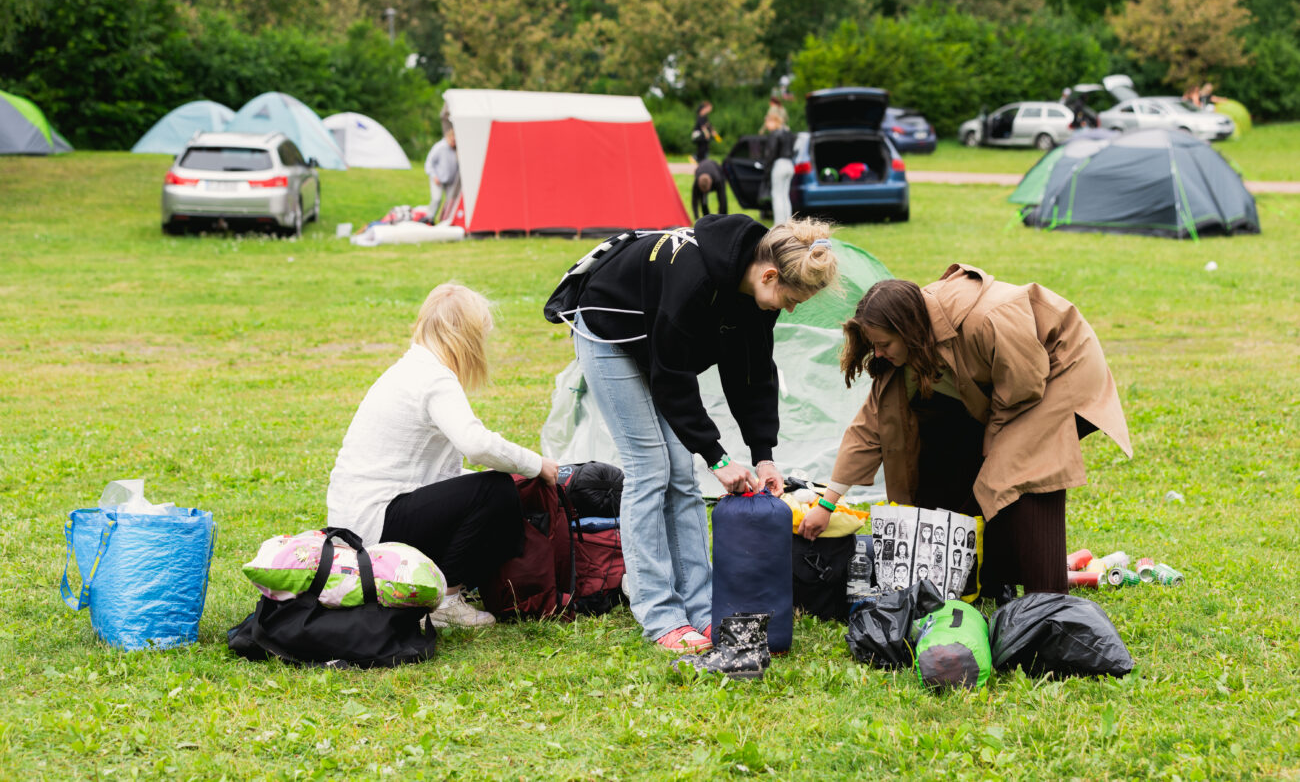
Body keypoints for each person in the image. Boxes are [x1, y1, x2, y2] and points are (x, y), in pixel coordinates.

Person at [546, 215, 839, 651]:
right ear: (769, 275)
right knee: (651, 469)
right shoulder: (695, 278)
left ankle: (701, 608)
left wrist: (763, 455)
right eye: (791, 299)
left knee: (681, 475)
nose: (791, 309)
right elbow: (672, 378)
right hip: (610, 330)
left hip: (660, 344)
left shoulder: (756, 293)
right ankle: (660, 615)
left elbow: (753, 373)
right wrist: (717, 457)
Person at [797, 265, 1132, 600]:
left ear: (908, 331)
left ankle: (1046, 597)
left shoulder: (987, 318)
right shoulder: (912, 345)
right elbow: (870, 428)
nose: (879, 353)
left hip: (1059, 368)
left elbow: (1026, 384)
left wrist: (993, 438)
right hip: (1011, 386)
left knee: (1021, 471)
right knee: (950, 449)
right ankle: (988, 580)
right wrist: (827, 503)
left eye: (884, 344)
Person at [326, 283, 560, 629]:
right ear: (466, 337)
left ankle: (447, 585)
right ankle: (445, 602)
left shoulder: (412, 368)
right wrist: (536, 464)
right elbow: (477, 445)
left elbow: (437, 478)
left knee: (493, 489)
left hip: (356, 523)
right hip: (375, 525)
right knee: (495, 491)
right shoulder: (433, 378)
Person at [762, 113, 796, 224]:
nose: (766, 126)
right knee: (785, 196)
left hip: (779, 165)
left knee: (777, 196)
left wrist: (767, 169)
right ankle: (789, 223)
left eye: (767, 122)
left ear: (774, 121)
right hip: (790, 164)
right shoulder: (788, 133)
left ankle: (779, 225)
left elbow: (771, 153)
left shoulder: (775, 134)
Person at [423, 127, 459, 221]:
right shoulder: (440, 147)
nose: (454, 143)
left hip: (451, 181)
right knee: (437, 199)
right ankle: (429, 218)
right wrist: (434, 176)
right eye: (453, 141)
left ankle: (446, 219)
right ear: (449, 137)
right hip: (438, 179)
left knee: (451, 201)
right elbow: (429, 163)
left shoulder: (456, 149)